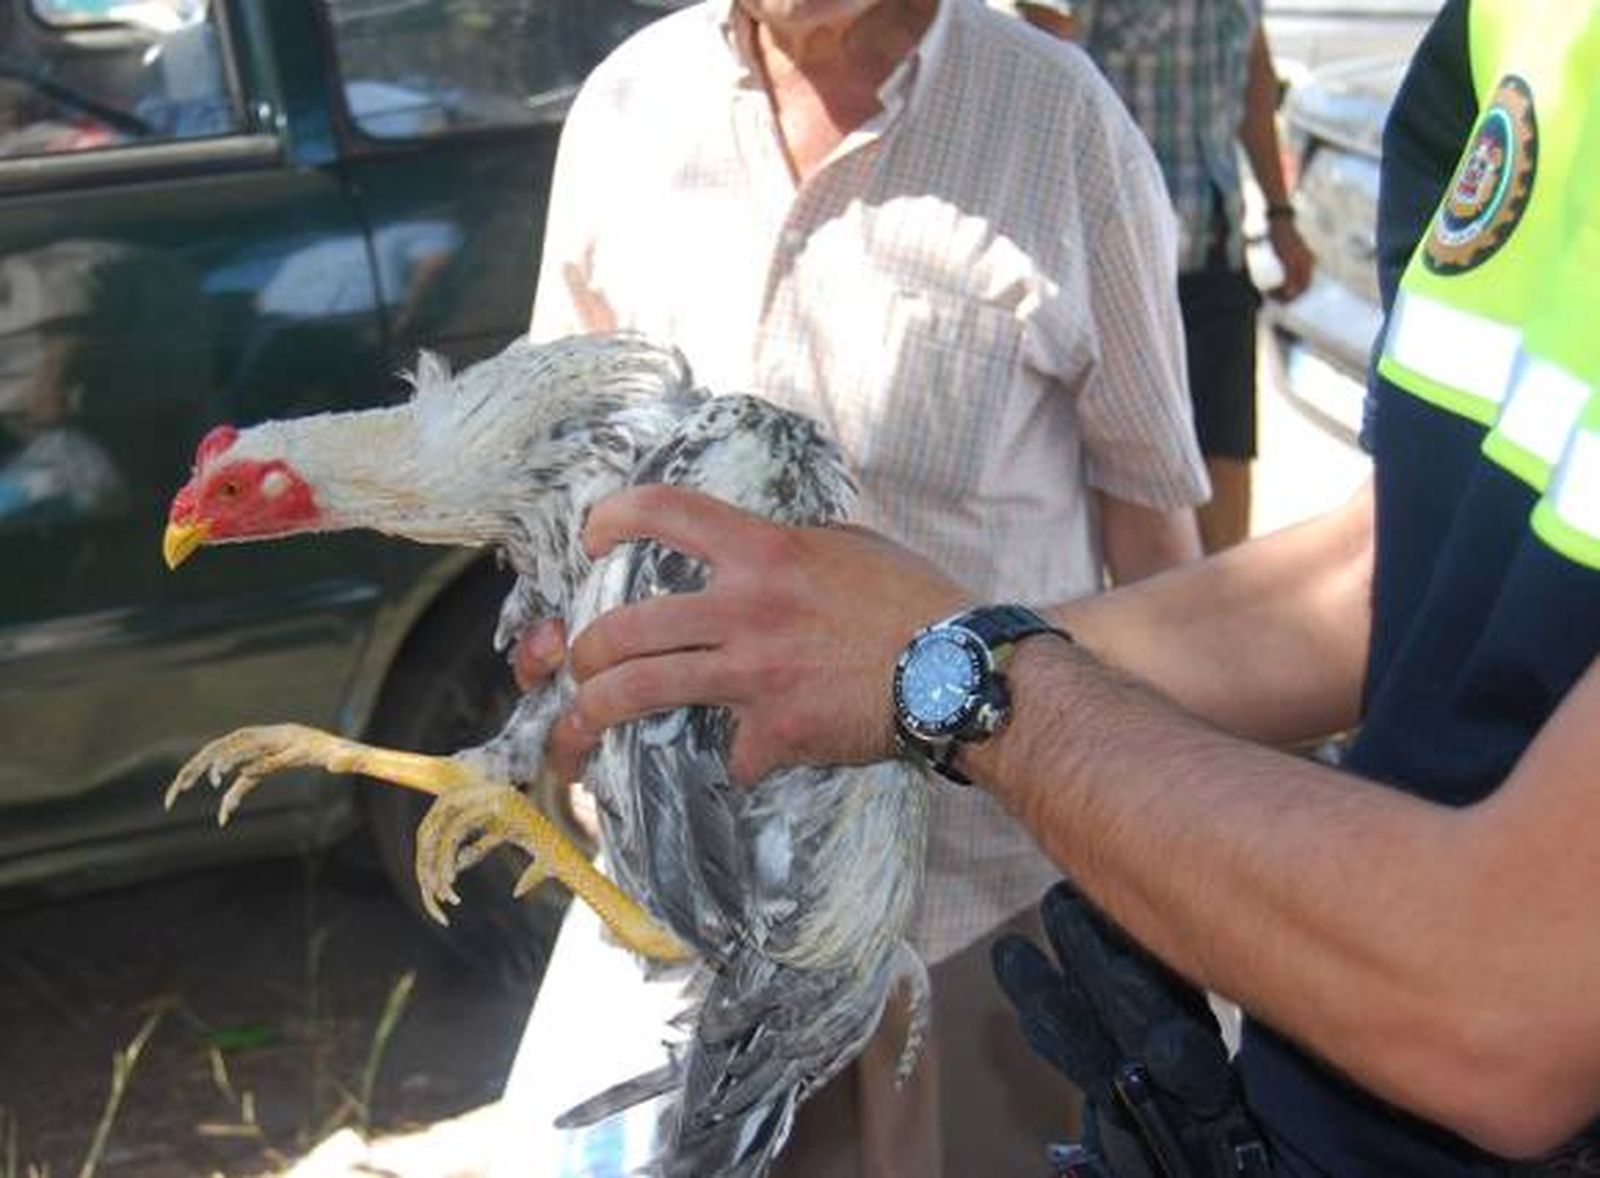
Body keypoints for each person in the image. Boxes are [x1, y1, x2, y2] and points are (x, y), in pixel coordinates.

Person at [540, 0, 1600, 1171]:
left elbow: (1504, 1002)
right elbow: (1395, 566)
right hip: (730, 923)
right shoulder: (1516, 38)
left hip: (984, 930)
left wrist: (954, 675)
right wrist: (851, 658)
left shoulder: (1058, 119)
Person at [507, 0, 1212, 1173]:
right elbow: (562, 477)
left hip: (977, 924)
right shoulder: (626, 109)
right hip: (690, 916)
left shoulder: (1056, 121)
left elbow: (1155, 546)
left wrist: (1181, 871)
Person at [1008, 0, 1315, 553]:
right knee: (1131, 494)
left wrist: (1280, 213)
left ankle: (1219, 624)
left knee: (1224, 471)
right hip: (1113, 266)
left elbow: (1253, 79)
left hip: (1214, 249)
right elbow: (1038, 51)